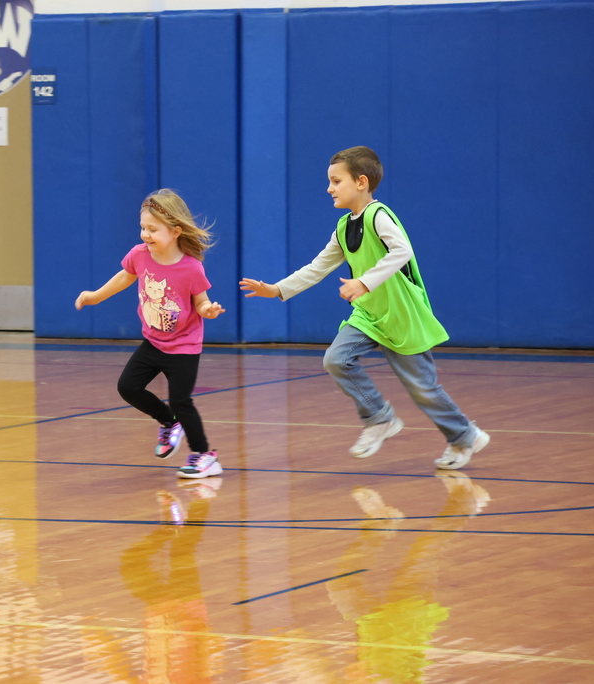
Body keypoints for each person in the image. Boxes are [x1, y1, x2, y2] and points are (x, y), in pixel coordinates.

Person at [240, 146, 488, 470]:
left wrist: (364, 282)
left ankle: (464, 436)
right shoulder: (344, 227)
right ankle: (379, 418)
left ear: (360, 182)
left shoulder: (378, 215)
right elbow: (317, 267)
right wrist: (277, 289)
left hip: (401, 314)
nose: (329, 188)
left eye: (335, 181)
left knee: (423, 389)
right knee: (336, 359)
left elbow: (402, 251)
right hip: (369, 315)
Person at [76, 189, 225, 478]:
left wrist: (208, 310)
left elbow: (201, 301)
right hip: (153, 342)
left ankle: (204, 456)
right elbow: (124, 276)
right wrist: (95, 296)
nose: (145, 234)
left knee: (182, 401)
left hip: (183, 347)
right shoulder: (139, 255)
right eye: (143, 227)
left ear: (175, 232)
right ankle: (169, 423)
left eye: (153, 229)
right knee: (128, 387)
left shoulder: (191, 267)